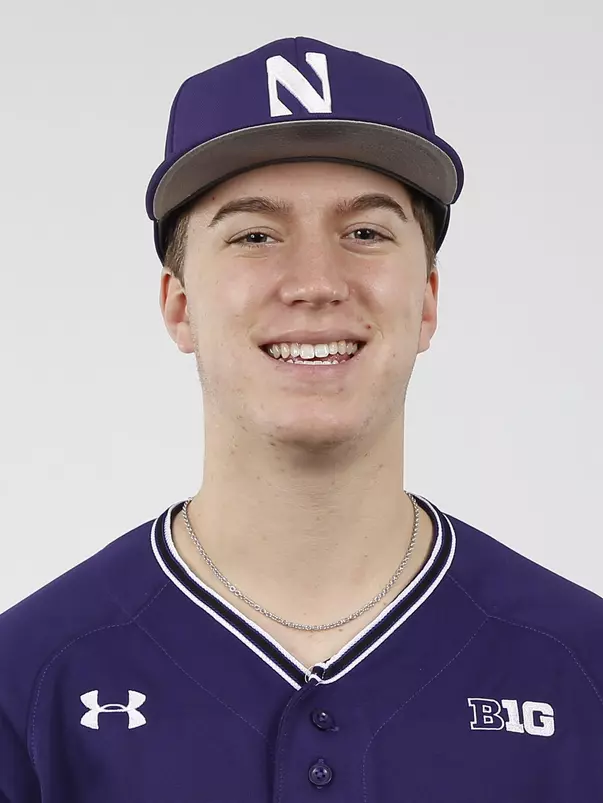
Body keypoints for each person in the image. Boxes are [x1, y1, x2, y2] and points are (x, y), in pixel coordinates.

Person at [1, 35, 602, 803]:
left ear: (425, 301)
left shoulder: (581, 666)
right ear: (179, 306)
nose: (316, 281)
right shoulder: (28, 682)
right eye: (254, 234)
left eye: (365, 233)